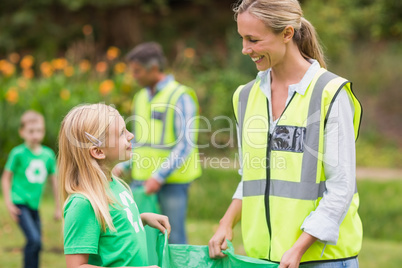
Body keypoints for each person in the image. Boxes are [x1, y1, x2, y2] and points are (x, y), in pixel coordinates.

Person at [208, 0, 363, 267]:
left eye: (253, 39)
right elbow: (253, 176)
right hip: (264, 260)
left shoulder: (330, 93)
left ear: (287, 34)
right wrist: (226, 222)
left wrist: (299, 248)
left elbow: (341, 187)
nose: (245, 49)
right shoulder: (245, 97)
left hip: (320, 259)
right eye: (242, 39)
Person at [58, 103, 171, 268]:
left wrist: (141, 220)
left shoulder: (116, 185)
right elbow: (76, 266)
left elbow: (110, 232)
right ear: (98, 151)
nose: (131, 135)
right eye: (121, 133)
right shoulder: (84, 203)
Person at [114, 42, 202, 244]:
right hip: (142, 181)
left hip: (172, 183)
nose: (133, 76)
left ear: (153, 69)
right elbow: (139, 141)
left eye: (137, 71)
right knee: (142, 237)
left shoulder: (180, 96)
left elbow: (185, 144)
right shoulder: (140, 97)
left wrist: (159, 176)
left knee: (173, 237)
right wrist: (122, 165)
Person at [1, 110, 61, 268]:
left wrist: (58, 207)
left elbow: (54, 181)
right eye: (31, 131)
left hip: (35, 205)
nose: (35, 135)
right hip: (20, 203)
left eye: (39, 131)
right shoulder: (18, 153)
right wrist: (9, 203)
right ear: (22, 132)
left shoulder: (48, 155)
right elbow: (6, 178)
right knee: (34, 240)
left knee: (38, 244)